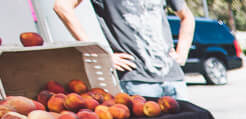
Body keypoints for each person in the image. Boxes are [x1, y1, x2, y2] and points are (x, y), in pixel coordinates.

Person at [54, 0, 194, 98]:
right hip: (137, 81)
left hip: (174, 78)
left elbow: (187, 16)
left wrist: (182, 52)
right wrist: (98, 53)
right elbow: (61, 6)